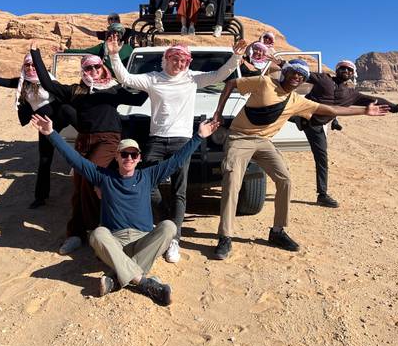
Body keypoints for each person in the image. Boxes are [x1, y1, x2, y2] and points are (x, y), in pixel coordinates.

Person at [31, 113, 219, 305]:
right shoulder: (103, 177)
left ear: (139, 158)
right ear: (117, 157)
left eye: (133, 155)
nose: (129, 158)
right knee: (97, 234)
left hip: (143, 240)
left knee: (169, 227)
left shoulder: (148, 176)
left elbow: (176, 161)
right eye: (124, 154)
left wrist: (199, 137)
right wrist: (51, 133)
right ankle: (143, 283)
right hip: (115, 242)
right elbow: (75, 160)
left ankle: (115, 279)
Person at [211, 58, 391, 259]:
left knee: (285, 180)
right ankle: (225, 236)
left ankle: (277, 231)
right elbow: (232, 83)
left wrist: (364, 110)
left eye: (302, 75)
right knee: (232, 181)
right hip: (239, 138)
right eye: (293, 72)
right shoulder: (264, 83)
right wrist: (218, 113)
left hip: (264, 142)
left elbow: (331, 110)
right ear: (285, 73)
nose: (297, 76)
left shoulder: (298, 101)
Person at [107, 37, 248, 263]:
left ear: (188, 62)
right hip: (156, 140)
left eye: (184, 60)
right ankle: (167, 220)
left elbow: (221, 74)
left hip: (182, 141)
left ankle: (175, 238)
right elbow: (126, 78)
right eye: (175, 58)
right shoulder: (154, 79)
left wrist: (237, 56)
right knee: (147, 184)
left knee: (179, 190)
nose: (179, 63)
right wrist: (114, 54)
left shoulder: (192, 79)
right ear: (166, 59)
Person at [30, 45, 148, 255]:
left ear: (103, 68)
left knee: (89, 176)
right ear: (83, 71)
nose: (93, 71)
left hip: (109, 140)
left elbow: (139, 99)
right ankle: (76, 233)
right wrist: (36, 54)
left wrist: (153, 81)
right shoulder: (76, 91)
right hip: (84, 141)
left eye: (96, 67)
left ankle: (97, 228)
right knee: (79, 186)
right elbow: (47, 83)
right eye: (88, 68)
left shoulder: (114, 88)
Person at [0, 53, 77, 209]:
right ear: (23, 67)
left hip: (59, 117)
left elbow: (69, 95)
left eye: (33, 65)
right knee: (44, 159)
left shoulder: (48, 81)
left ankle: (90, 134)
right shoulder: (22, 83)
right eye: (27, 66)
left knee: (68, 110)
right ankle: (41, 197)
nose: (31, 68)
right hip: (44, 124)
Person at [293, 59, 398, 208]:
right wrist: (280, 63)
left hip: (315, 126)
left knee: (322, 158)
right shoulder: (323, 79)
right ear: (337, 70)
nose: (346, 71)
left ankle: (322, 195)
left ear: (353, 74)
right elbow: (298, 72)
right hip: (298, 113)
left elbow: (375, 100)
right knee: (273, 111)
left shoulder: (351, 94)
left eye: (350, 70)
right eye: (343, 68)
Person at [65, 22, 133, 71]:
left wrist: (65, 51)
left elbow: (84, 51)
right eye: (113, 33)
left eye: (116, 34)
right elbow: (89, 33)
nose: (114, 36)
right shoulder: (104, 46)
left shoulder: (128, 49)